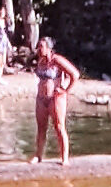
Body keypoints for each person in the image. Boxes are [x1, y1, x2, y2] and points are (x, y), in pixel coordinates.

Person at [31, 37, 80, 165]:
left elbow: (75, 75)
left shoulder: (57, 60)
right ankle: (38, 156)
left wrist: (65, 89)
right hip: (41, 99)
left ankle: (64, 158)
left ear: (48, 48)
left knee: (59, 127)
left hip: (55, 98)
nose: (39, 49)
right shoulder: (40, 61)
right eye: (38, 47)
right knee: (41, 128)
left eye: (41, 46)